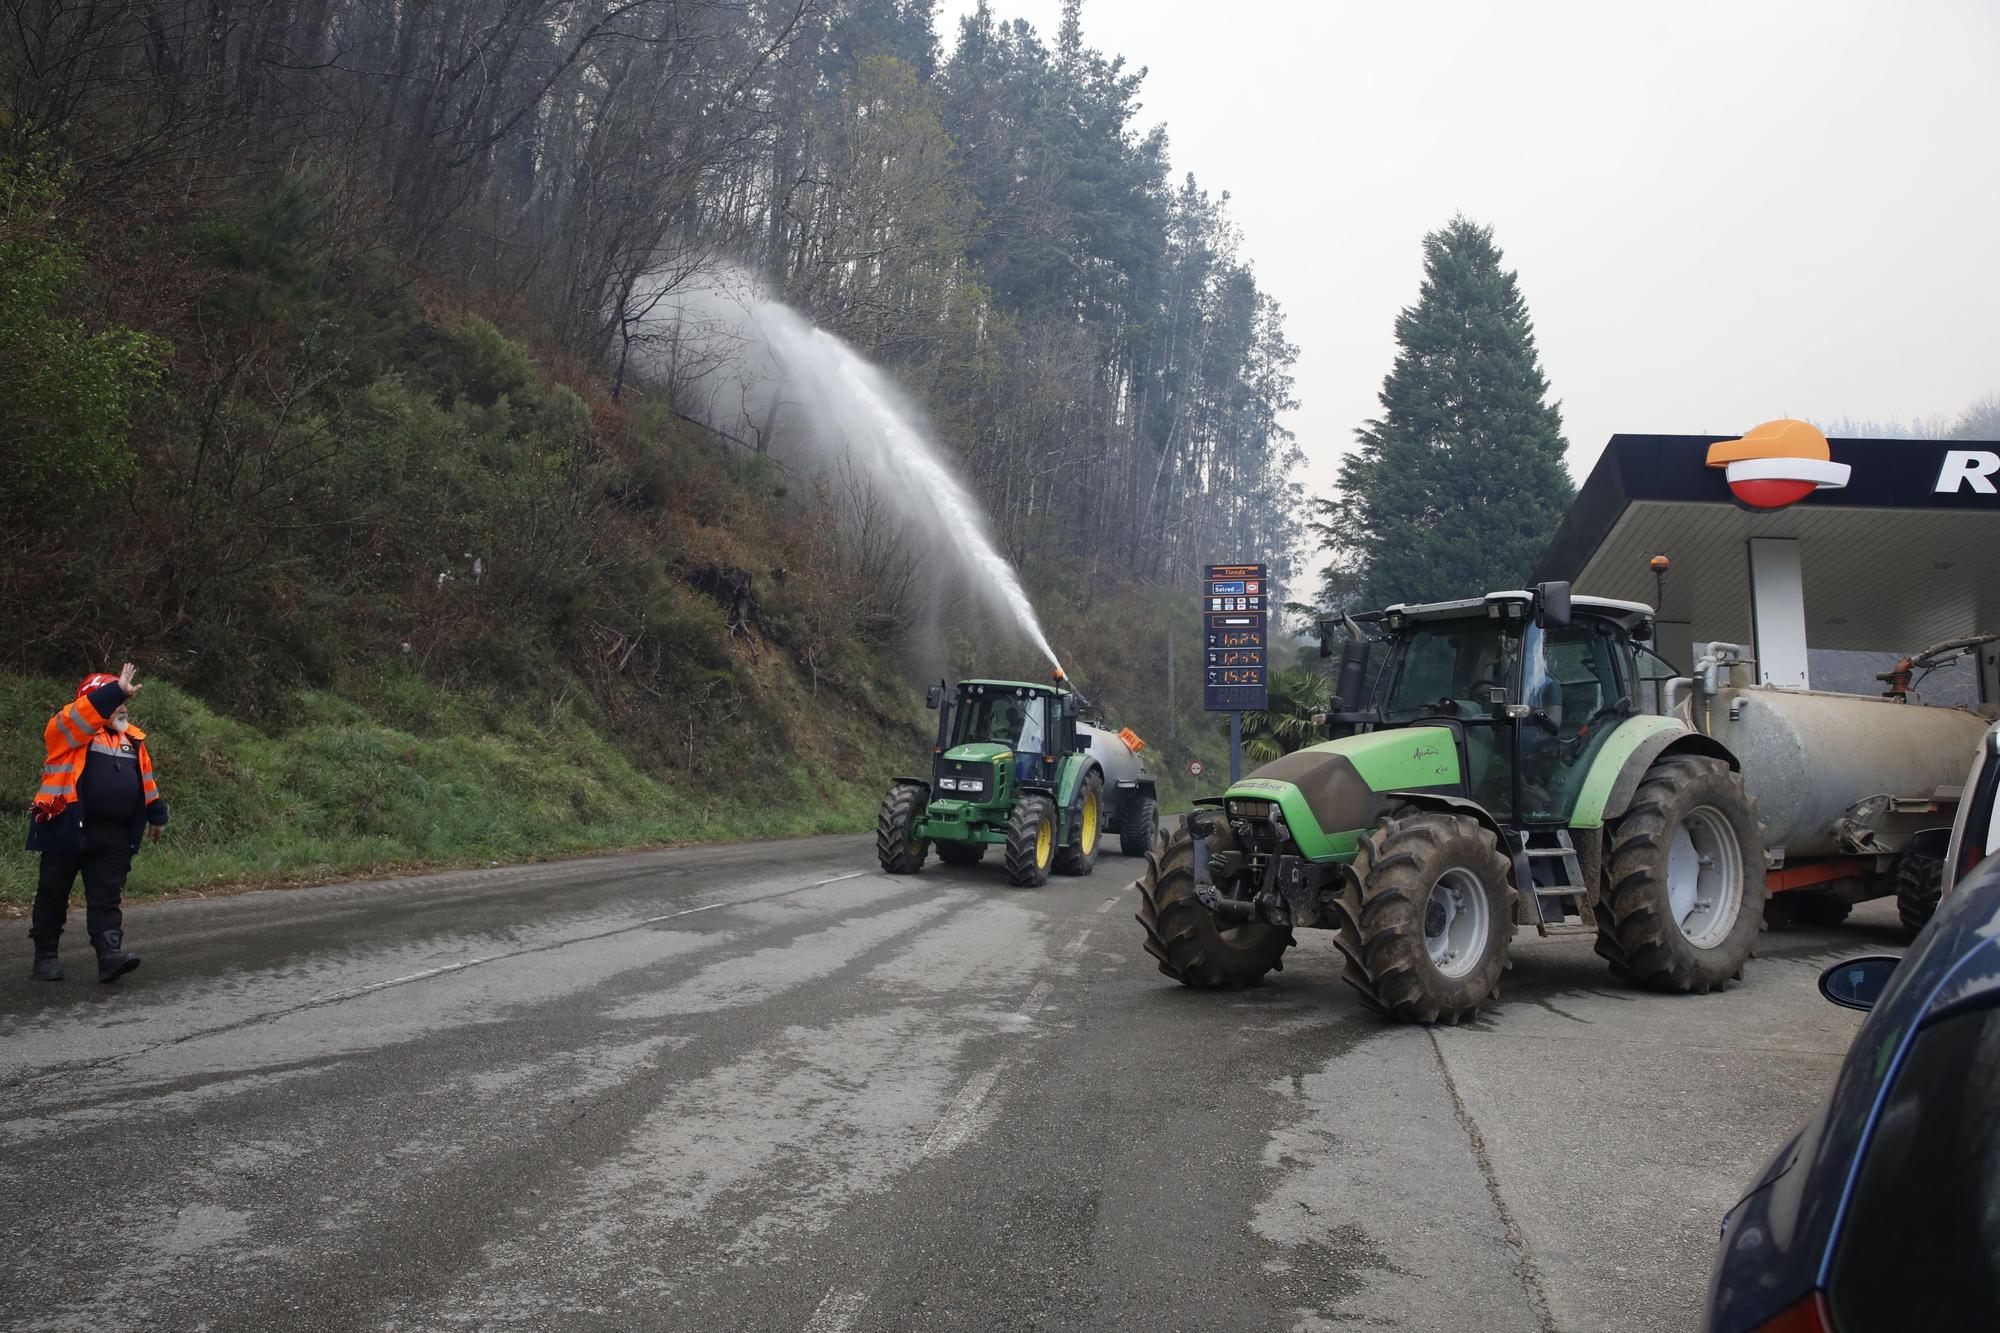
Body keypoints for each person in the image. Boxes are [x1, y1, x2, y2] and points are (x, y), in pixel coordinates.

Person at [25, 663, 166, 982]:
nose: (122, 706)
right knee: (52, 894)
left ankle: (109, 955)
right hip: (65, 827)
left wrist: (157, 814)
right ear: (91, 703)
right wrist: (115, 690)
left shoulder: (132, 740)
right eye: (115, 699)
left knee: (107, 897)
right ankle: (45, 956)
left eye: (124, 701)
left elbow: (146, 782)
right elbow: (82, 715)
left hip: (113, 835)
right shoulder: (65, 731)